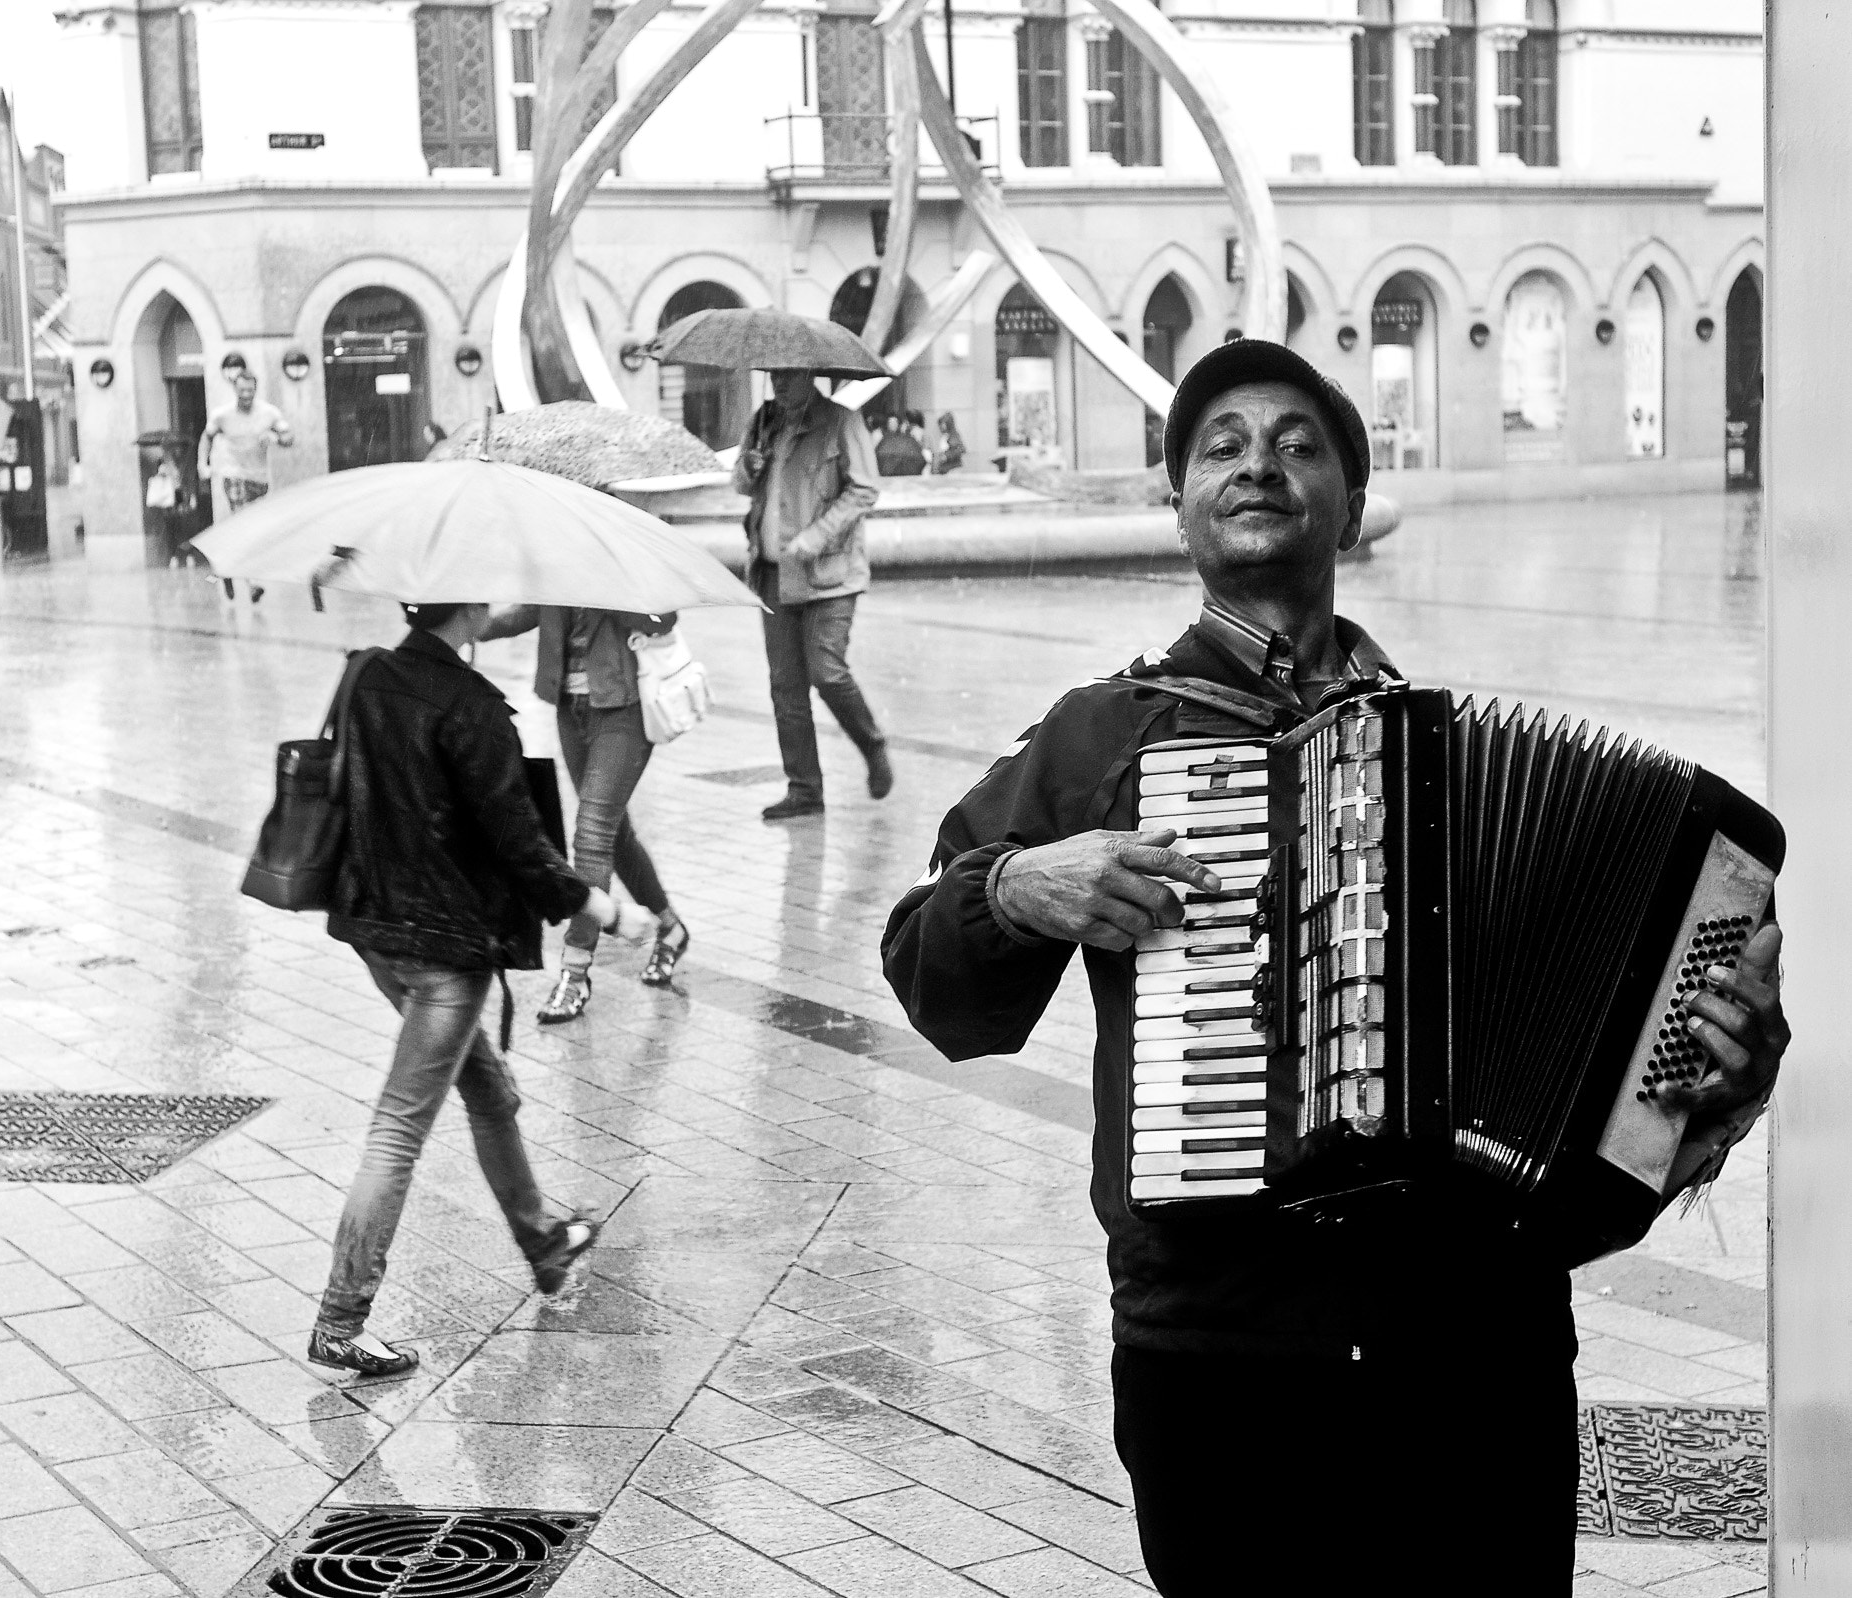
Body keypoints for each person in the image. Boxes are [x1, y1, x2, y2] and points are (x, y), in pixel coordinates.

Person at [880, 339, 1790, 1596]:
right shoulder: (1104, 735)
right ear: (1180, 504)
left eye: (1299, 442)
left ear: (1350, 507)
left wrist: (1722, 1063)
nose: (1259, 461)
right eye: (1222, 444)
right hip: (1220, 1358)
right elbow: (929, 973)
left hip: (1477, 1354)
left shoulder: (1437, 755)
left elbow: (1630, 1108)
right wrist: (1013, 885)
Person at [312, 599, 656, 1376]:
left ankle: (544, 1242)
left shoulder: (370, 675)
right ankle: (342, 1315)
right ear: (471, 609)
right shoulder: (473, 711)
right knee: (399, 1129)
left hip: (376, 930)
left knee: (490, 1089)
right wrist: (608, 910)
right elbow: (525, 852)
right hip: (445, 953)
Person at [480, 605, 692, 1023]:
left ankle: (575, 974)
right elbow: (526, 611)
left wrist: (622, 594)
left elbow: (662, 617)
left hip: (623, 707)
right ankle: (671, 927)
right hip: (569, 707)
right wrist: (463, 620)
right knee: (614, 836)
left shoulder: (622, 554)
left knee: (592, 836)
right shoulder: (564, 555)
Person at [733, 367, 893, 820]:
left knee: (827, 673)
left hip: (828, 574)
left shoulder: (841, 422)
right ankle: (804, 788)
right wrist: (750, 467)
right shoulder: (764, 422)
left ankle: (871, 743)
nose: (778, 383)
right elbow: (742, 485)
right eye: (772, 375)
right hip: (770, 573)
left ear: (811, 375)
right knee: (786, 689)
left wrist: (814, 537)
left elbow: (864, 490)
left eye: (788, 375)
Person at [198, 369, 291, 603]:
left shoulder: (269, 413)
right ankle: (252, 585)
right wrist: (203, 464)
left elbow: (289, 437)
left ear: (255, 390)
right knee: (244, 527)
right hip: (233, 475)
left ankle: (227, 568)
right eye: (242, 391)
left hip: (259, 479)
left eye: (250, 390)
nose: (247, 395)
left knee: (255, 530)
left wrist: (277, 438)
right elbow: (206, 437)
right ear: (235, 390)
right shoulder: (223, 415)